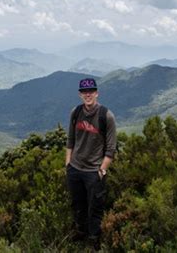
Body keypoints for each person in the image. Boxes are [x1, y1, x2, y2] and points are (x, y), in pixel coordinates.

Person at [66, 77, 117, 250]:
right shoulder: (76, 112)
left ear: (97, 93)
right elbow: (70, 140)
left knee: (95, 207)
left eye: (91, 91)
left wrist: (102, 170)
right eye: (84, 92)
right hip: (75, 168)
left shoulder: (106, 116)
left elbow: (111, 148)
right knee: (77, 203)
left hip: (94, 171)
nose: (88, 95)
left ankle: (94, 238)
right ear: (80, 94)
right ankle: (81, 232)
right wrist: (68, 165)